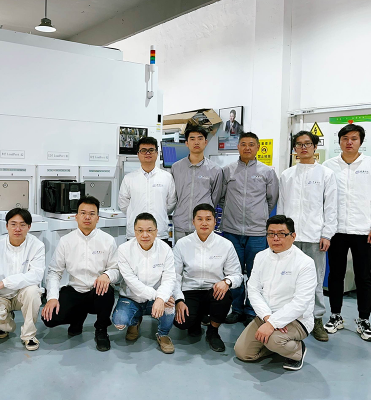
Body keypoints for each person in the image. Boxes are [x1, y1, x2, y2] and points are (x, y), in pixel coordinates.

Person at [322, 124, 371, 342]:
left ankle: (364, 320)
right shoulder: (329, 166)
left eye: (354, 138)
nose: (349, 142)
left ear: (361, 142)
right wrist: (325, 229)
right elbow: (323, 199)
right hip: (336, 230)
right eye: (345, 138)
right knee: (335, 275)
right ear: (339, 141)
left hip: (363, 231)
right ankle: (335, 315)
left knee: (363, 277)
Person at [234, 215, 316, 371]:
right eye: (271, 234)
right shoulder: (261, 257)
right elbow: (253, 289)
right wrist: (267, 318)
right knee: (243, 353)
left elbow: (301, 303)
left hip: (296, 319)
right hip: (266, 314)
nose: (275, 238)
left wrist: (273, 323)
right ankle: (276, 345)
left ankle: (298, 351)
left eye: (281, 234)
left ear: (293, 236)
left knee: (274, 340)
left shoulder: (305, 263)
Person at [277, 131, 337, 342]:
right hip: (290, 237)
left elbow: (331, 207)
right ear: (294, 149)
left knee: (315, 280)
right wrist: (280, 233)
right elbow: (282, 206)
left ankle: (317, 318)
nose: (303, 148)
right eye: (299, 144)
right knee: (287, 278)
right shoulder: (287, 175)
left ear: (314, 147)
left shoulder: (326, 174)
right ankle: (289, 316)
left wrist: (327, 234)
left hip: (314, 236)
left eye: (307, 144)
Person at [41, 196, 120, 352]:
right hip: (74, 290)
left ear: (98, 218)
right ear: (76, 216)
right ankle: (78, 318)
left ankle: (101, 329)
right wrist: (52, 298)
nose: (87, 217)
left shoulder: (108, 240)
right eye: (83, 213)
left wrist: (107, 275)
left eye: (92, 214)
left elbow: (116, 269)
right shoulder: (66, 241)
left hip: (96, 292)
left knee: (107, 291)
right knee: (49, 318)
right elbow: (54, 272)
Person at [220, 132, 279, 326]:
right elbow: (221, 197)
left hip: (257, 232)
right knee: (234, 272)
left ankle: (253, 310)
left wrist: (258, 215)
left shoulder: (267, 172)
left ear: (258, 147)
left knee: (256, 273)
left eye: (251, 144)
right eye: (243, 144)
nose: (247, 148)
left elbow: (271, 199)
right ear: (238, 146)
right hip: (231, 230)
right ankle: (236, 309)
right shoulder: (227, 171)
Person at [173, 204, 243, 352]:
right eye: (200, 219)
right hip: (189, 290)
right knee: (182, 323)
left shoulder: (225, 245)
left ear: (215, 222)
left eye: (208, 219)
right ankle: (195, 320)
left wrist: (227, 282)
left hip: (213, 291)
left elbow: (237, 275)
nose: (204, 223)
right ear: (193, 222)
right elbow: (175, 276)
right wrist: (178, 300)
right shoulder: (182, 244)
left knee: (225, 295)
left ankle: (213, 331)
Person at [0, 208, 45, 351]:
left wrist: (5, 282)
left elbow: (36, 275)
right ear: (6, 226)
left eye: (22, 225)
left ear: (29, 227)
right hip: (1, 296)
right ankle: (6, 324)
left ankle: (29, 335)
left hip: (22, 294)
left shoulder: (37, 245)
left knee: (33, 291)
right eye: (13, 224)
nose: (17, 229)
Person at [111, 213, 176, 354]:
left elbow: (170, 278)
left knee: (170, 306)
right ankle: (134, 322)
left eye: (149, 230)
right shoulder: (124, 249)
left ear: (156, 231)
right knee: (119, 321)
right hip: (131, 297)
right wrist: (158, 297)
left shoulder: (165, 249)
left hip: (156, 298)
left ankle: (163, 334)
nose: (145, 235)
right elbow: (131, 281)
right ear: (134, 231)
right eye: (140, 230)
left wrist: (161, 298)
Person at [118, 136, 177, 246]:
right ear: (138, 154)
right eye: (143, 150)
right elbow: (123, 204)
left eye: (151, 150)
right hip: (135, 234)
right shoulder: (129, 178)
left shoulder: (167, 177)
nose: (147, 153)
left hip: (159, 233)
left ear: (157, 153)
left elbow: (171, 204)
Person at [171, 125, 223, 243]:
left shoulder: (215, 170)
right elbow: (174, 196)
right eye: (192, 139)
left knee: (204, 254)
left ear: (205, 142)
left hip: (203, 226)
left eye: (200, 138)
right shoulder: (176, 168)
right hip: (181, 224)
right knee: (181, 254)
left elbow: (215, 198)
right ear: (186, 143)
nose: (196, 142)